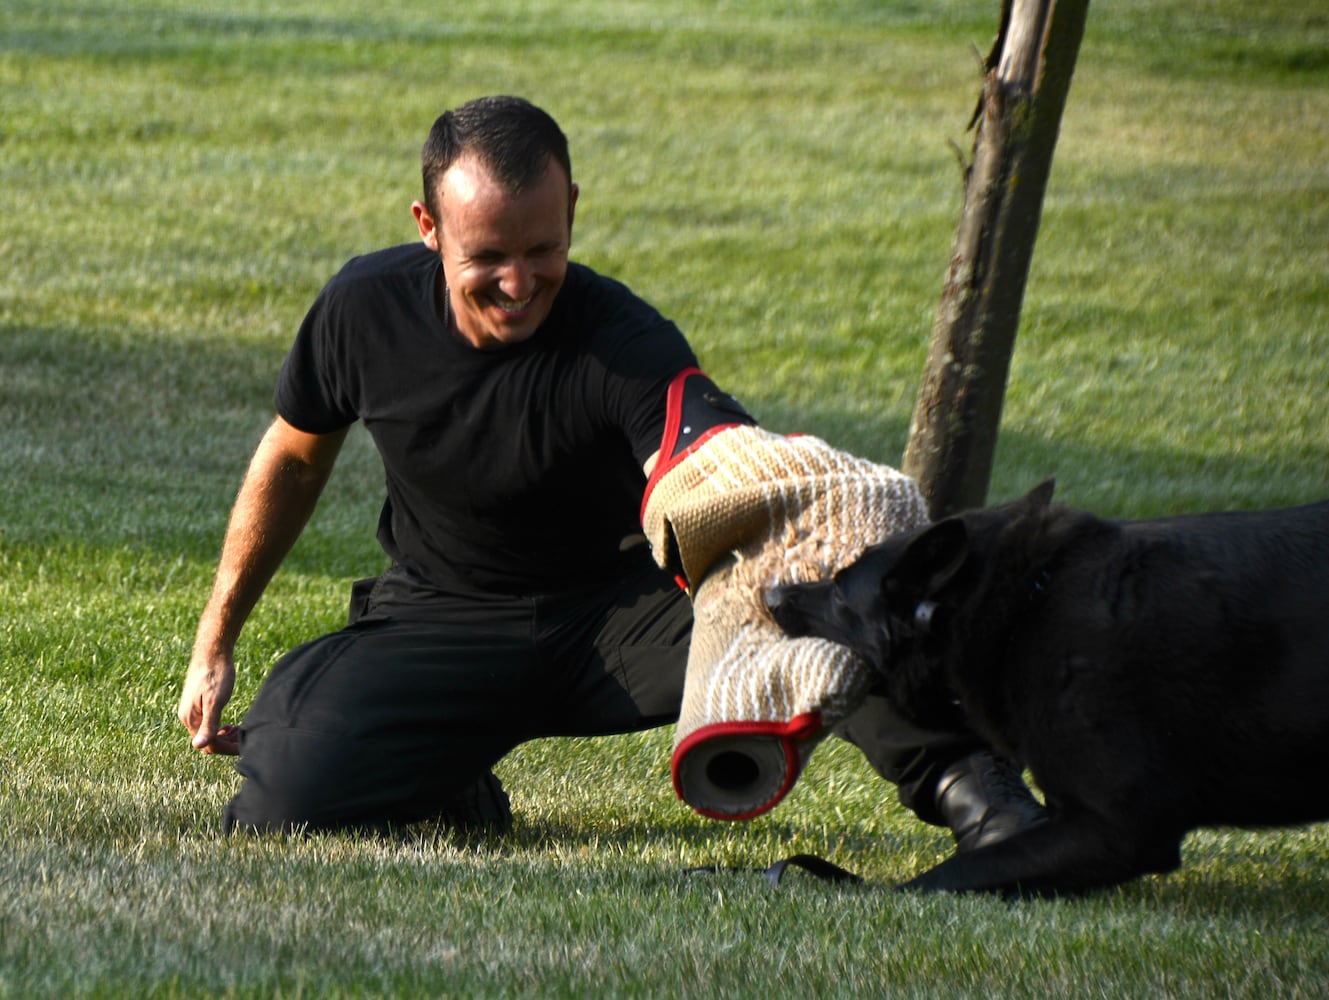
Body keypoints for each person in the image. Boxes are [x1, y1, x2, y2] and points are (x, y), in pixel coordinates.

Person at [176, 95, 1045, 848]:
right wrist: (216, 640)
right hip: (440, 622)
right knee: (278, 803)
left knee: (819, 598)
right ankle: (448, 785)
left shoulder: (621, 340)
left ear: (573, 212)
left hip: (621, 622)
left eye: (542, 249)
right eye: (487, 258)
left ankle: (982, 800)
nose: (519, 282)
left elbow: (708, 459)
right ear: (426, 227)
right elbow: (293, 456)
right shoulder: (362, 311)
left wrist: (789, 480)